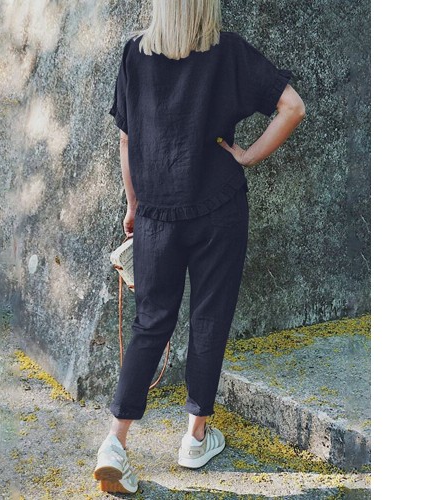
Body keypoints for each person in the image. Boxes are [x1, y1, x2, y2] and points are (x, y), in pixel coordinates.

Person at [94, 0, 305, 493]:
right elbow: (292, 107)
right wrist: (247, 157)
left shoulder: (134, 55)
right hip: (218, 209)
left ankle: (114, 443)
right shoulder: (227, 51)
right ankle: (194, 438)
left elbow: (126, 142)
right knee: (209, 318)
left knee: (150, 324)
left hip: (156, 215)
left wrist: (134, 205)